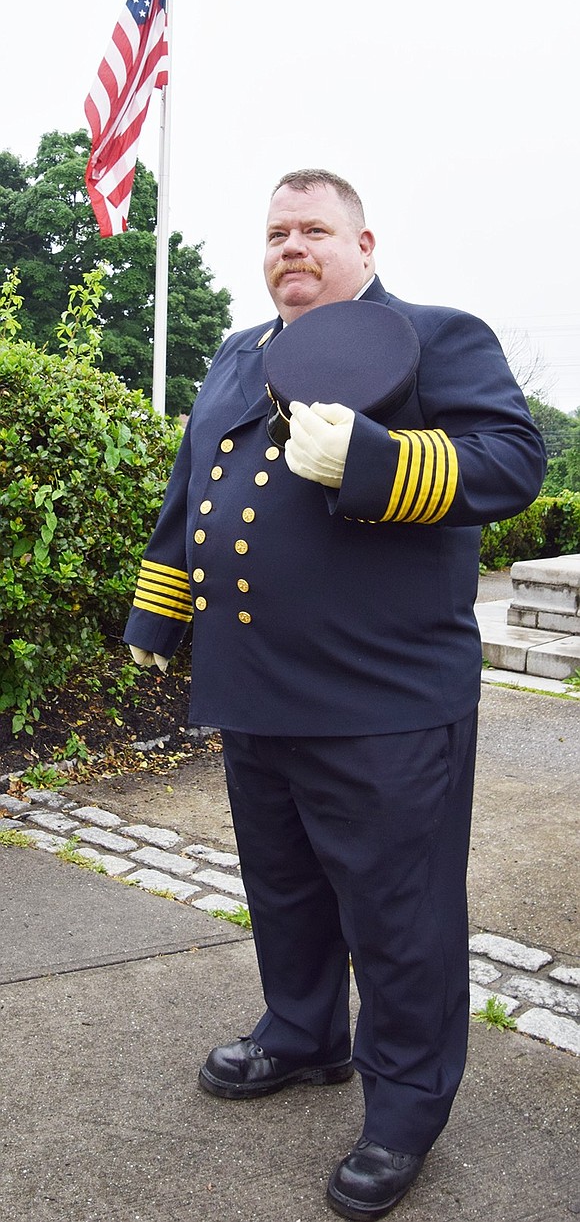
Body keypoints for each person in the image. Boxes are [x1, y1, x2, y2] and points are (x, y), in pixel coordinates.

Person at [124, 169, 546, 1220]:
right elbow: (194, 491)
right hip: (253, 683)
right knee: (287, 886)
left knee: (398, 915)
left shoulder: (437, 335)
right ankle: (302, 1032)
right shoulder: (236, 354)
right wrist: (157, 617)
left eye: (314, 228)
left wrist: (373, 456)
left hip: (382, 695)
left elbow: (511, 459)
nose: (291, 246)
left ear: (364, 241)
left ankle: (404, 1102)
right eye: (275, 232)